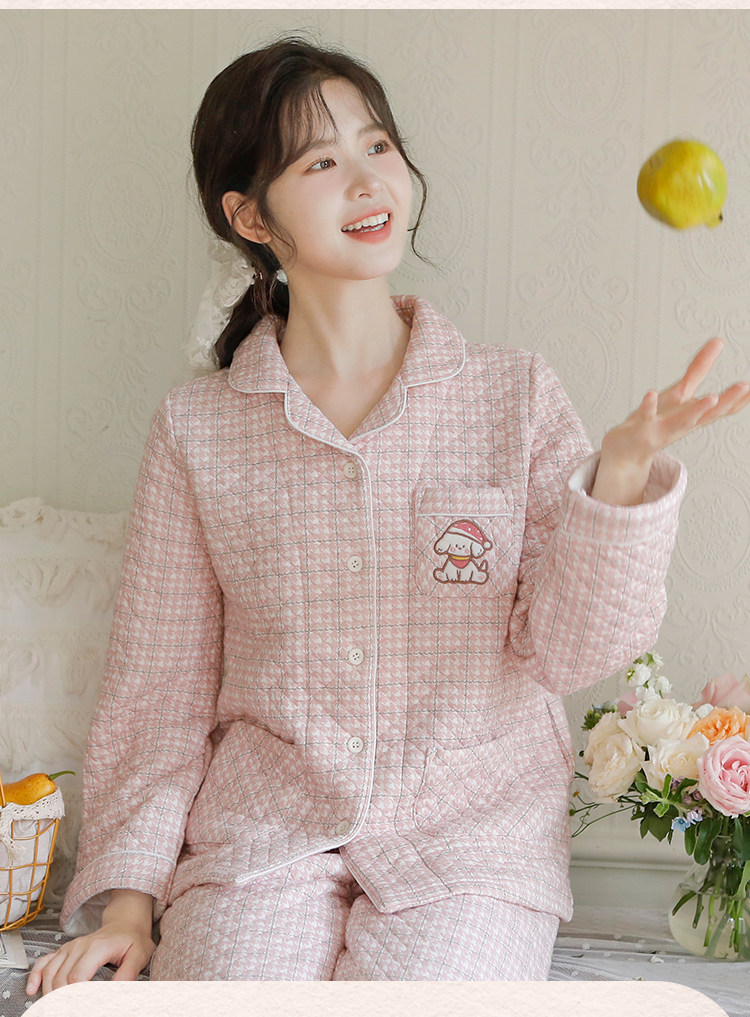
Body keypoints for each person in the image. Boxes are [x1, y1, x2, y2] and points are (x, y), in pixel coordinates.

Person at [26, 37, 750, 992]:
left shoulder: (513, 395)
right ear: (250, 215)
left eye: (377, 146)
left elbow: (570, 652)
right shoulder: (198, 428)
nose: (368, 181)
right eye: (321, 162)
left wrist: (617, 478)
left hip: (472, 850)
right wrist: (129, 904)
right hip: (258, 849)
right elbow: (159, 692)